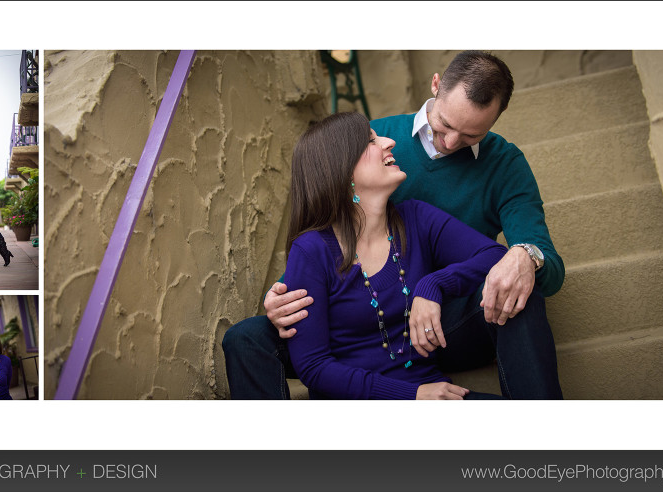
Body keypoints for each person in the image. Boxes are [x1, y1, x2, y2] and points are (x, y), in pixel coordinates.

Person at [223, 51, 563, 399]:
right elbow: (324, 246)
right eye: (444, 125)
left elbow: (540, 263)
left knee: (516, 285)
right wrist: (281, 294)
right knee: (247, 337)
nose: (449, 144)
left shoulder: (496, 170)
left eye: (471, 136)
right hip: (361, 329)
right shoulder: (376, 138)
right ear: (435, 86)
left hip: (448, 318)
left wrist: (522, 257)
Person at [283, 112, 508, 399]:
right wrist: (411, 396)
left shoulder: (414, 218)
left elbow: (494, 255)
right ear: (342, 168)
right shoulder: (311, 251)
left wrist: (433, 285)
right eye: (371, 141)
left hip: (436, 395)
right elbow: (314, 367)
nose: (389, 142)